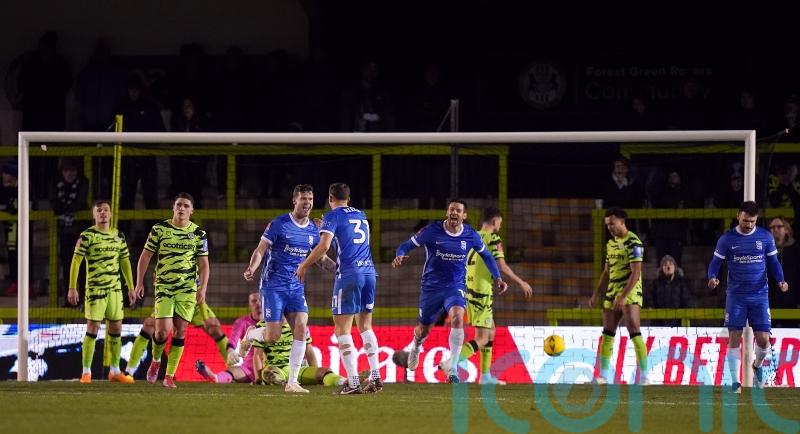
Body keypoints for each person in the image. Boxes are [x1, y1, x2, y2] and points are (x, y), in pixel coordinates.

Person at [392, 199, 508, 383]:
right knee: (423, 330)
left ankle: (453, 368)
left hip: (455, 286)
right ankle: (416, 346)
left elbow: (487, 256)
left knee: (458, 317)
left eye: (458, 210)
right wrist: (400, 254)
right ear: (447, 212)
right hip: (431, 287)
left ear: (464, 215)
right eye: (452, 209)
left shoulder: (470, 234)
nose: (454, 212)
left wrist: (498, 277)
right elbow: (406, 245)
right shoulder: (432, 230)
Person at [242, 184, 335, 393]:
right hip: (273, 286)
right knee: (272, 337)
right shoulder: (279, 224)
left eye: (310, 199)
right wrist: (252, 268)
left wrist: (339, 270)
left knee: (301, 327)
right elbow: (260, 249)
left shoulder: (314, 229)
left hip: (296, 287)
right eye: (303, 199)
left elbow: (320, 259)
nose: (307, 203)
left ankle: (292, 382)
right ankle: (251, 334)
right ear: (294, 201)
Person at [295, 182, 381, 394]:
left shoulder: (332, 216)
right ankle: (376, 377)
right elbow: (349, 241)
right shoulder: (361, 215)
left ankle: (353, 382)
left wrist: (303, 265)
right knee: (366, 326)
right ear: (348, 199)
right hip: (369, 273)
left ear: (330, 199)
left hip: (350, 275)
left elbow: (324, 246)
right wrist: (324, 228)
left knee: (342, 329)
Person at [436, 207, 533, 385]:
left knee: (491, 331)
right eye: (500, 223)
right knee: (482, 338)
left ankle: (485, 376)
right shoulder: (493, 238)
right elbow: (501, 265)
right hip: (482, 293)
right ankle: (451, 363)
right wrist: (521, 282)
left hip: (468, 289)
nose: (500, 226)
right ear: (495, 221)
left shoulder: (470, 235)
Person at [708, 201, 788, 392]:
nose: (748, 225)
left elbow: (773, 262)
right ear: (738, 216)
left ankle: (757, 366)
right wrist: (712, 277)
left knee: (763, 340)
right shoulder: (727, 239)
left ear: (756, 219)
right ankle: (735, 381)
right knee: (734, 337)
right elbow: (715, 263)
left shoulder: (765, 237)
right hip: (736, 296)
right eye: (745, 221)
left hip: (759, 295)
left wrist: (781, 280)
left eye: (752, 221)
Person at [131, 193, 209, 388]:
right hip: (164, 288)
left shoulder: (198, 234)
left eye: (186, 205)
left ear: (192, 210)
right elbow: (145, 256)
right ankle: (156, 360)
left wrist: (202, 289)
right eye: (179, 205)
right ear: (173, 208)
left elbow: (204, 264)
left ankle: (169, 375)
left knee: (180, 330)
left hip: (187, 290)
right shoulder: (159, 229)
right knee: (161, 332)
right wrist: (139, 283)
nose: (182, 208)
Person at [68, 200, 135, 383]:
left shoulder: (118, 236)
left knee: (116, 328)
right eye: (99, 211)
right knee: (93, 328)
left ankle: (115, 371)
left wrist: (130, 287)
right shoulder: (87, 236)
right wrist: (72, 287)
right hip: (95, 290)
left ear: (111, 214)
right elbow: (76, 262)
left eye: (106, 210)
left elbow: (125, 262)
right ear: (94, 215)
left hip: (115, 290)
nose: (103, 213)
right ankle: (86, 372)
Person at [588, 208, 649, 385]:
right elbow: (606, 272)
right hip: (612, 290)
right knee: (608, 332)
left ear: (622, 222)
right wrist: (596, 293)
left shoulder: (634, 243)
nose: (609, 228)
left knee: (634, 328)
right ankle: (603, 376)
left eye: (612, 224)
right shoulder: (610, 244)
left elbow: (636, 273)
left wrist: (623, 296)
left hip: (630, 290)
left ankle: (644, 376)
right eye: (607, 225)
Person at [207, 318, 343, 388]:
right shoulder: (263, 325)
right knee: (269, 373)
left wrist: (315, 372)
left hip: (297, 370)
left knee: (325, 371)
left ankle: (343, 381)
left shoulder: (300, 324)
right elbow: (258, 355)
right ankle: (275, 380)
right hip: (275, 369)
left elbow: (309, 351)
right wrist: (257, 379)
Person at [50, 159, 89, 305]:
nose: (69, 174)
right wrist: (63, 212)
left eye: (72, 170)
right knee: (67, 265)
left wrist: (67, 211)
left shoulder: (83, 182)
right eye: (66, 170)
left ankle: (84, 298)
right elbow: (54, 203)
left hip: (81, 232)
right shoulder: (55, 183)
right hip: (65, 232)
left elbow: (79, 203)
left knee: (83, 266)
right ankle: (70, 300)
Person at [767, 217, 799, 328]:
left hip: (792, 303)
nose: (775, 229)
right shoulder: (766, 251)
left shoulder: (796, 250)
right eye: (772, 227)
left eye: (779, 226)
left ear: (786, 230)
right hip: (771, 302)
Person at [644, 255, 690, 327]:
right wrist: (650, 307)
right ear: (661, 268)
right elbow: (649, 299)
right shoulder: (655, 284)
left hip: (677, 323)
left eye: (671, 264)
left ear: (675, 267)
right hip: (659, 323)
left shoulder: (681, 284)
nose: (668, 267)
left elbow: (686, 301)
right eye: (665, 265)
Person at [0, 160, 18, 296]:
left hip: (20, 226)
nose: (4, 175)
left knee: (21, 253)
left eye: (6, 173)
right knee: (12, 253)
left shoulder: (22, 186)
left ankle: (25, 284)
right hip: (9, 226)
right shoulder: (2, 188)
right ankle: (14, 282)